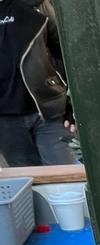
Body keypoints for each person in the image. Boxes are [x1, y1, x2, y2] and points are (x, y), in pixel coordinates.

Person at [0, 0, 74, 167]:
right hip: (6, 122)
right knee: (28, 183)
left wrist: (71, 102)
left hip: (49, 111)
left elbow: (65, 50)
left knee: (64, 178)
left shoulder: (38, 5)